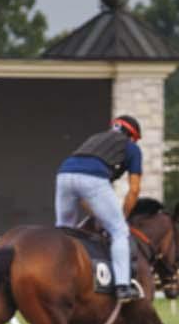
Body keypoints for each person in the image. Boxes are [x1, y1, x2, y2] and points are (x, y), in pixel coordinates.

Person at [55, 114, 145, 301]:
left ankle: (56, 275)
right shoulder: (131, 147)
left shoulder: (94, 139)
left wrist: (99, 216)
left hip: (64, 174)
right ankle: (122, 287)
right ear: (132, 136)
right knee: (119, 231)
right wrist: (122, 217)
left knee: (64, 229)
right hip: (93, 178)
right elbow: (134, 190)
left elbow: (83, 198)